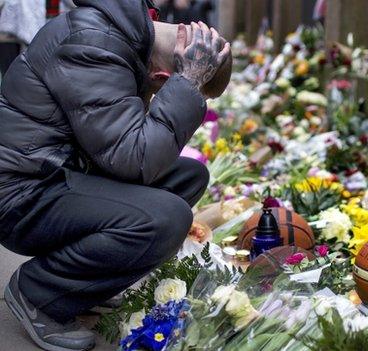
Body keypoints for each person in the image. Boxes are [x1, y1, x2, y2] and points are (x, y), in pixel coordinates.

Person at [0, 0, 231, 350]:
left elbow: (121, 152)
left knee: (187, 175)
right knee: (167, 217)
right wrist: (187, 86)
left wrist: (176, 89)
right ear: (164, 78)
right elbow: (134, 159)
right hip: (21, 194)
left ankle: (83, 284)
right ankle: (38, 292)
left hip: (55, 173)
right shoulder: (95, 43)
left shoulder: (124, 35)